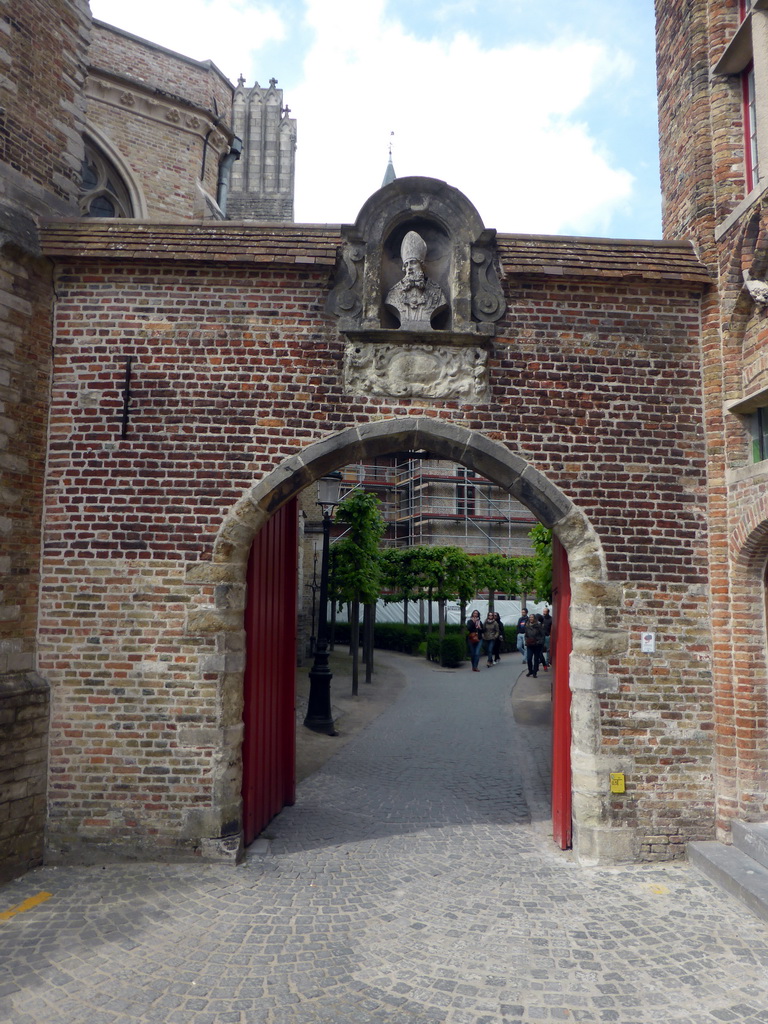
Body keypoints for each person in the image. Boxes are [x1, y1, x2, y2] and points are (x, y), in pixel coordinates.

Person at [385, 230, 448, 330]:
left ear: (422, 265)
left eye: (413, 262)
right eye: (406, 264)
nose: (409, 268)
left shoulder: (437, 294)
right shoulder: (393, 295)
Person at [524, 612, 545, 678]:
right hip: (530, 644)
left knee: (536, 659)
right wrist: (526, 640)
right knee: (529, 658)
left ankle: (535, 672)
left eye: (532, 617)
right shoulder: (527, 626)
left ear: (534, 618)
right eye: (530, 617)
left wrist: (540, 642)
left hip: (537, 644)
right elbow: (526, 635)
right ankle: (530, 670)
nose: (531, 618)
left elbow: (542, 635)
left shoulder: (538, 626)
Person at [541, 605, 553, 669]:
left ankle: (547, 662)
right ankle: (542, 660)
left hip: (547, 635)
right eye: (543, 611)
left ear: (548, 612)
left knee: (548, 649)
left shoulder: (551, 619)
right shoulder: (542, 618)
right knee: (540, 649)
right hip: (541, 636)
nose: (544, 613)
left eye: (545, 611)